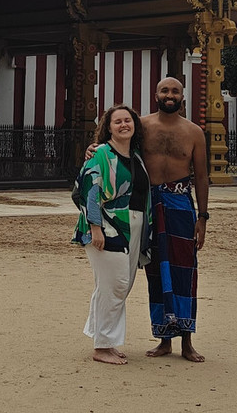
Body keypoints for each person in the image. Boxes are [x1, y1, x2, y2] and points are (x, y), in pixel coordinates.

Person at [85, 77, 209, 362]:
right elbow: (115, 146)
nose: (169, 95)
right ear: (155, 94)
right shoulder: (141, 125)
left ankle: (187, 341)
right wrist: (93, 149)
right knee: (154, 269)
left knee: (184, 270)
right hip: (148, 203)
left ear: (182, 96)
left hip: (180, 203)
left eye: (175, 91)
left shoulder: (194, 132)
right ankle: (164, 338)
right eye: (164, 90)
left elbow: (201, 176)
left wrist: (202, 217)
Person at [72, 104, 152, 365]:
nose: (123, 125)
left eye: (127, 120)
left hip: (133, 225)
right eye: (117, 122)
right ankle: (102, 346)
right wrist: (95, 226)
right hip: (108, 226)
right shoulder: (101, 154)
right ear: (108, 127)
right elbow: (88, 190)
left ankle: (103, 338)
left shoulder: (136, 155)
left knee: (118, 285)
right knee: (115, 284)